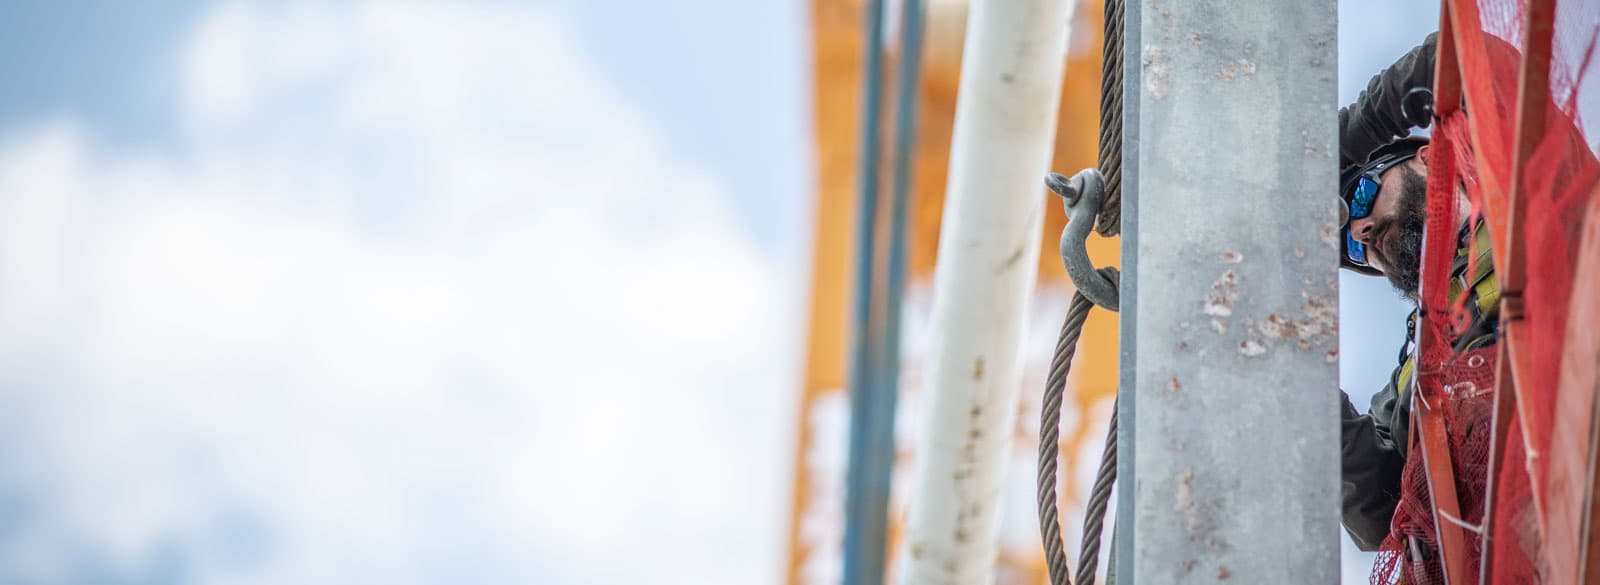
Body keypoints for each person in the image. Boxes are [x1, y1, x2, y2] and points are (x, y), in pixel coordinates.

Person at [1334, 33, 1501, 552]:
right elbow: (1375, 515)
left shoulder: (1524, 189)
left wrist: (1320, 162)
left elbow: (1477, 60)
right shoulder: (1414, 368)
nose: (1360, 231)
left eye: (1361, 194)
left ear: (1429, 159)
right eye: (1349, 244)